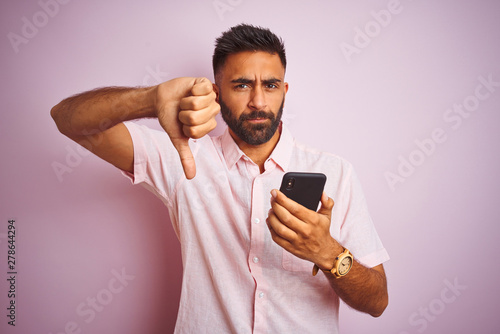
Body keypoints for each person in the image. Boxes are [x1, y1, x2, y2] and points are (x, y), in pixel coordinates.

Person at [51, 24, 389, 333]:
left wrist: (328, 254)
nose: (258, 102)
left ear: (284, 90)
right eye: (241, 85)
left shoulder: (337, 173)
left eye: (270, 85)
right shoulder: (182, 156)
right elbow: (68, 120)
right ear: (217, 92)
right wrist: (150, 100)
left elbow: (377, 302)